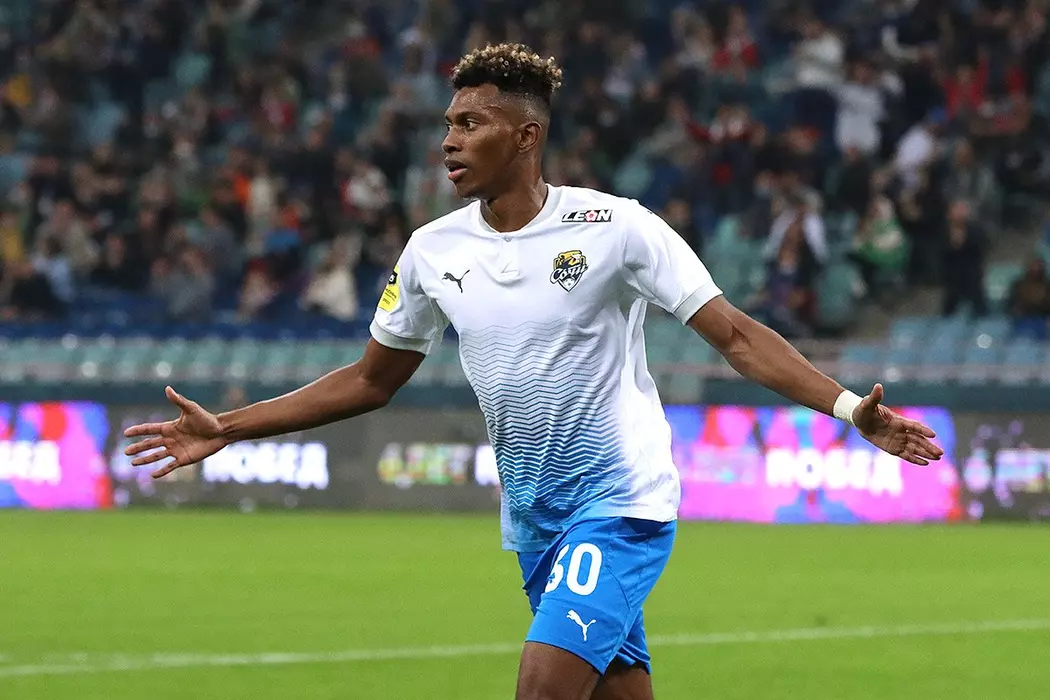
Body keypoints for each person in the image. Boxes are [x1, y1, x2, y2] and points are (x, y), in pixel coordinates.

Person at [122, 44, 944, 700]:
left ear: (525, 136)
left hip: (619, 506)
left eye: (471, 123)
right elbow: (372, 379)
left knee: (542, 691)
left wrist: (848, 409)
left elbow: (734, 335)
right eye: (448, 123)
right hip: (535, 523)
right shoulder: (432, 251)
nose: (449, 140)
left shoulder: (617, 228)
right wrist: (229, 427)